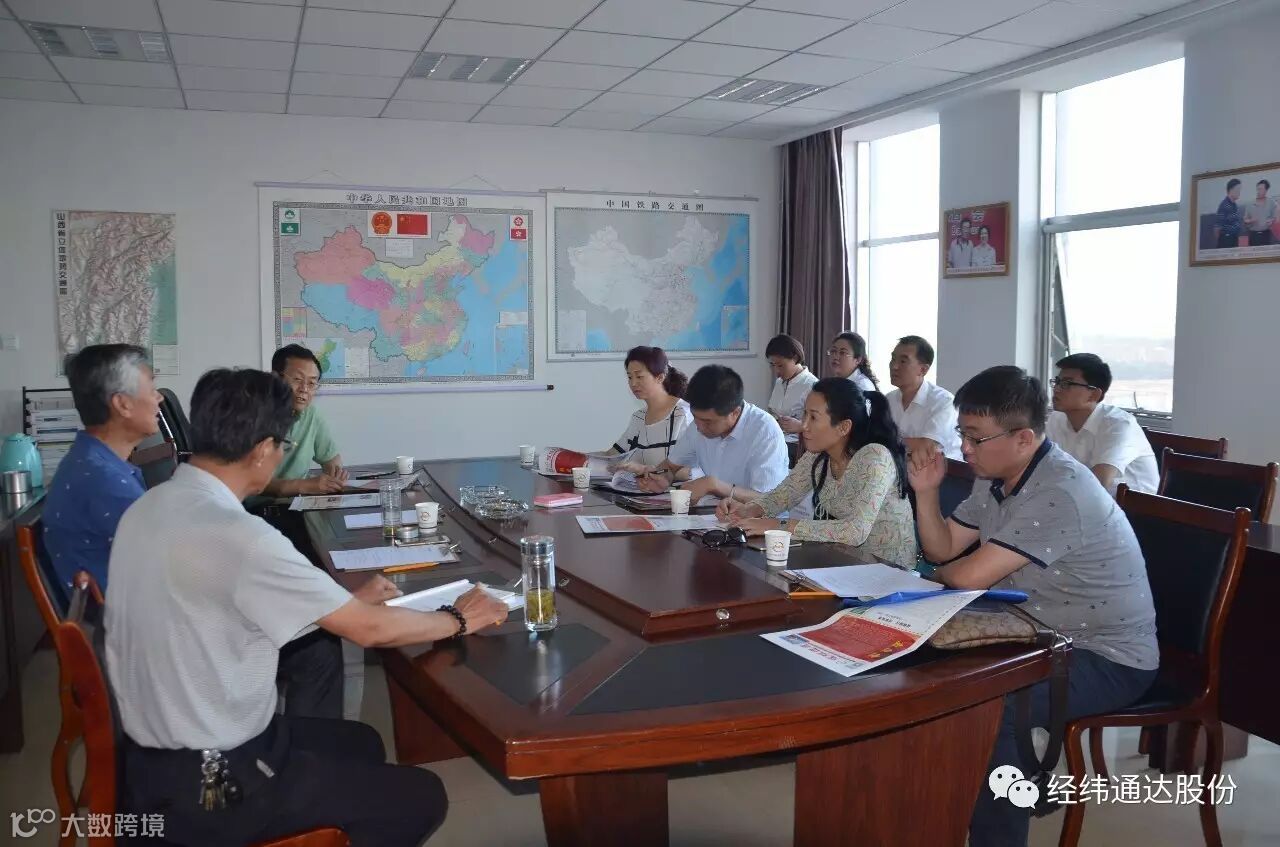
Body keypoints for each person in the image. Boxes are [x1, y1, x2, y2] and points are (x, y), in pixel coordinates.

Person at [106, 368, 509, 847]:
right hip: (211, 782)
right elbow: (369, 631)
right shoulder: (241, 537)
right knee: (421, 797)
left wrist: (341, 603)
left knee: (361, 742)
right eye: (283, 446)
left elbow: (227, 610)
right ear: (263, 450)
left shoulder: (153, 504)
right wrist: (460, 619)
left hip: (147, 760)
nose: (281, 455)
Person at [908, 366, 1157, 847]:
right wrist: (926, 491)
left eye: (975, 437)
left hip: (1107, 656)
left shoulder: (1059, 490)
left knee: (991, 705)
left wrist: (921, 577)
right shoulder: (997, 475)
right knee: (920, 669)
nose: (965, 449)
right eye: (962, 434)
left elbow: (965, 575)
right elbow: (943, 550)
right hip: (1035, 631)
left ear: (1023, 438)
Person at [719, 378, 917, 565]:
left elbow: (855, 531)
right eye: (804, 414)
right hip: (846, 562)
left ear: (843, 427)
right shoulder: (818, 455)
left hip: (889, 570)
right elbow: (783, 495)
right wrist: (748, 510)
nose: (804, 426)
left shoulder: (875, 457)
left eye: (813, 417)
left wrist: (777, 525)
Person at [43, 344, 161, 594]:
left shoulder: (90, 463)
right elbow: (172, 563)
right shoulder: (104, 482)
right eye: (152, 389)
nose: (159, 398)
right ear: (122, 404)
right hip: (127, 615)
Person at [635, 365, 789, 504]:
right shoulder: (698, 424)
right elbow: (670, 466)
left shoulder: (764, 431)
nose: (699, 427)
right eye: (695, 417)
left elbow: (771, 500)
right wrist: (663, 478)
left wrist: (714, 485)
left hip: (758, 521)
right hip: (714, 514)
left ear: (735, 412)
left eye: (708, 422)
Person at [1046, 353, 1158, 495]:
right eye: (1057, 382)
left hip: (1132, 506)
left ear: (1094, 395)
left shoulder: (1119, 424)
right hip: (1082, 502)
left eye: (1067, 384)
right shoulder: (1057, 418)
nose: (1056, 389)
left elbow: (1099, 481)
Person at [262, 344, 348, 497]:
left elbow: (331, 460)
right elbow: (240, 478)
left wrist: (335, 477)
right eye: (297, 379)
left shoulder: (311, 415)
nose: (304, 389)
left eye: (311, 383)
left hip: (297, 505)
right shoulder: (252, 415)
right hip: (252, 507)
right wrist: (301, 486)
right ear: (275, 378)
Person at [605, 346, 692, 469]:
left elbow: (688, 471)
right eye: (630, 377)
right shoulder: (638, 417)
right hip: (636, 482)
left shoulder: (683, 414)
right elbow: (613, 455)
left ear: (660, 377)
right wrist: (581, 458)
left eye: (639, 376)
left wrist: (644, 470)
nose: (633, 383)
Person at [885, 335, 962, 461]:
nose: (894, 366)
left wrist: (884, 440)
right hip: (899, 467)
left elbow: (927, 447)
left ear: (923, 370)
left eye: (903, 361)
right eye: (893, 359)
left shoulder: (943, 401)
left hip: (944, 470)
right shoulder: (888, 399)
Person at [765, 334, 818, 466]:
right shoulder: (779, 382)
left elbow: (822, 425)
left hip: (796, 444)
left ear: (795, 358)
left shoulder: (812, 385)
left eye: (780, 365)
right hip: (776, 438)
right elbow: (773, 411)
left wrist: (800, 426)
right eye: (772, 365)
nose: (776, 371)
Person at [1242, 178, 1277, 246]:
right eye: (1257, 189)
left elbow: (1275, 218)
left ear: (1266, 190)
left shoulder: (1271, 203)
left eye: (1261, 189)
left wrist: (1272, 221)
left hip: (1266, 234)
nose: (1258, 191)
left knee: (1267, 252)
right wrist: (1251, 220)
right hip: (1253, 234)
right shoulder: (1250, 203)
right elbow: (1245, 220)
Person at [1216, 178, 1243, 248]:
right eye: (1238, 189)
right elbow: (1218, 227)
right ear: (1231, 190)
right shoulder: (1224, 205)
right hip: (1226, 240)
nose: (1239, 192)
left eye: (1240, 190)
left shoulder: (1234, 205)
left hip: (1234, 238)